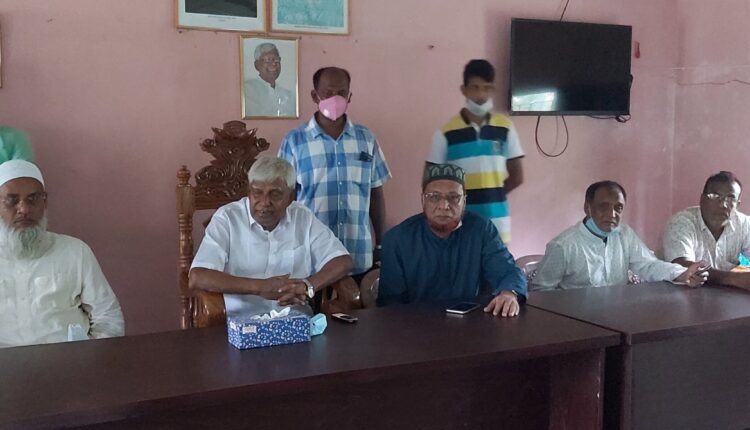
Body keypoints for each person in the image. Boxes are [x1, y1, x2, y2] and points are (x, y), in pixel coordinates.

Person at [189, 156, 353, 317]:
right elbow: (198, 276)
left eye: (275, 194)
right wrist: (260, 287)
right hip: (240, 321)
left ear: (290, 197)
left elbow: (342, 260)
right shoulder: (227, 218)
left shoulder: (302, 217)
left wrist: (307, 285)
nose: (265, 202)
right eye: (257, 193)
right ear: (249, 192)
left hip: (294, 320)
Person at [279, 67, 391, 281]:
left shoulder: (365, 139)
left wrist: (381, 243)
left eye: (341, 92)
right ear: (315, 96)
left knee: (360, 303)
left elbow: (376, 193)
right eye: (328, 93)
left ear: (350, 96)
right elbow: (285, 198)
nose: (335, 98)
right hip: (311, 257)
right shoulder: (294, 141)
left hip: (357, 252)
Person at [0, 160, 124, 348]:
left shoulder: (75, 251)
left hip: (70, 362)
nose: (24, 209)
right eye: (12, 200)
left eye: (33, 199)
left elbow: (108, 316)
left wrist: (94, 358)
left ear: (45, 202)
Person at [378, 163, 527, 317]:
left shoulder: (481, 230)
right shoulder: (397, 239)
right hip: (415, 324)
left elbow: (508, 271)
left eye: (454, 197)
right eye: (434, 197)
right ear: (423, 200)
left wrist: (509, 293)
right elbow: (390, 305)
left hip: (471, 322)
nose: (444, 206)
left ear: (464, 201)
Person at [533, 180, 708, 290]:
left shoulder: (625, 235)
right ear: (587, 208)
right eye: (603, 207)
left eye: (618, 208)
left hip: (617, 316)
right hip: (577, 322)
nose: (612, 214)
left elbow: (648, 265)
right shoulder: (563, 245)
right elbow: (541, 292)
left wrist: (683, 273)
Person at [428, 59, 524, 244]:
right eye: (475, 87)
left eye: (486, 88)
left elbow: (517, 176)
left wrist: (492, 195)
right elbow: (430, 181)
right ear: (464, 90)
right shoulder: (445, 133)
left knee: (497, 263)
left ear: (493, 90)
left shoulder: (506, 128)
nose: (481, 95)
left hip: (497, 222)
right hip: (458, 223)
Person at [663, 171, 750, 290]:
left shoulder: (744, 224)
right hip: (675, 292)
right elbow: (682, 266)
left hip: (723, 294)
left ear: (737, 205)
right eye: (715, 196)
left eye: (730, 199)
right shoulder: (682, 222)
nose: (723, 205)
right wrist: (733, 279)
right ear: (702, 199)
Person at [244, 43, 296, 117]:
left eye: (276, 60)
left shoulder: (288, 95)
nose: (274, 64)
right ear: (256, 65)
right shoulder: (249, 89)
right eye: (268, 60)